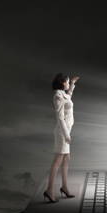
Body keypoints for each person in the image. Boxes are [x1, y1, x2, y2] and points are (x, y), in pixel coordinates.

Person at [43, 73, 80, 203]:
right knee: (57, 161)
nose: (69, 84)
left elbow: (68, 97)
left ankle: (64, 186)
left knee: (66, 159)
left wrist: (73, 84)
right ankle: (49, 190)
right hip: (61, 133)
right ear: (62, 83)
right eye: (68, 82)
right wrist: (66, 135)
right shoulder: (57, 96)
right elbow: (60, 118)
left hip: (66, 131)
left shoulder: (63, 94)